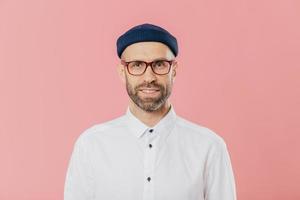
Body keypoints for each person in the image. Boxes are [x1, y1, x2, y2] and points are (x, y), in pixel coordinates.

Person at [64, 23, 237, 200]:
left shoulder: (209, 147)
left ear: (174, 70)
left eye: (159, 64)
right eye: (137, 65)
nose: (149, 77)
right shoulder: (91, 145)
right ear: (123, 72)